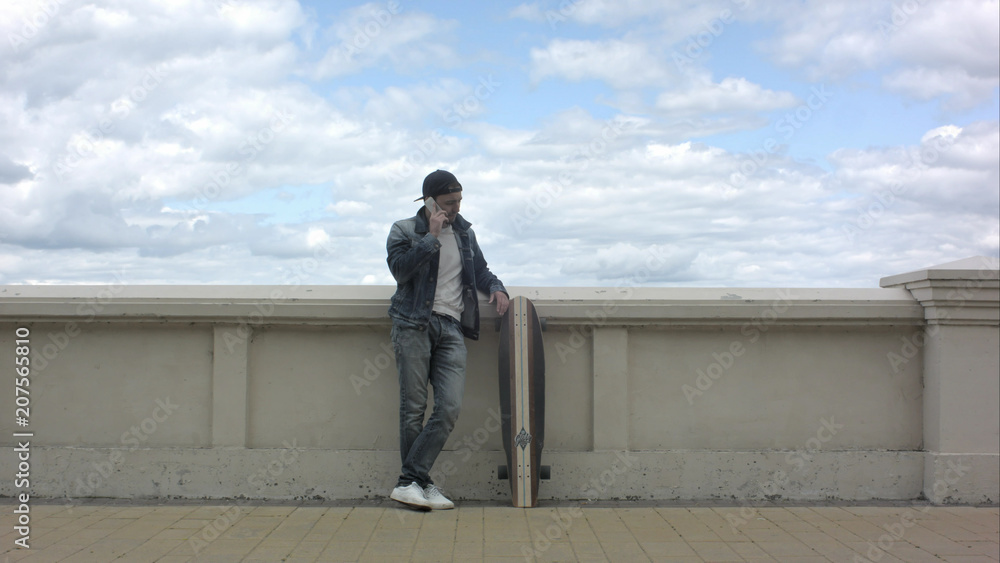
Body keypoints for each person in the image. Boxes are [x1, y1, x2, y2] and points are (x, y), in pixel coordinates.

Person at [385, 169, 509, 510]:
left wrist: (497, 288)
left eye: (459, 201)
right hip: (413, 324)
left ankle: (410, 481)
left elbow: (480, 271)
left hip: (452, 327)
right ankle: (419, 484)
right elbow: (400, 271)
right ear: (430, 202)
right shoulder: (404, 230)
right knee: (413, 409)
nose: (456, 208)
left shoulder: (465, 233)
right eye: (449, 202)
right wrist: (432, 237)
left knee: (449, 408)